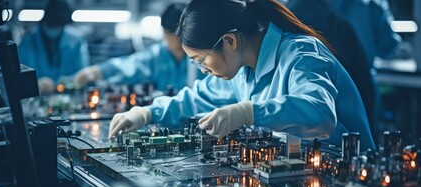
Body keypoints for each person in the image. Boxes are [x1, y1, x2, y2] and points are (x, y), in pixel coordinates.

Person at [109, 0, 375, 150]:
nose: (203, 71)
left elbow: (320, 115)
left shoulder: (302, 54)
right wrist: (146, 113)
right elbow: (196, 98)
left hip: (349, 174)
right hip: (299, 170)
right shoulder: (241, 72)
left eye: (201, 61)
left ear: (229, 42)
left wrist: (249, 111)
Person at [286, 0, 377, 137]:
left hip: (296, 136)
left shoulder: (282, 29)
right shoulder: (342, 28)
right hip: (346, 133)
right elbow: (364, 88)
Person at [74, 3, 203, 92]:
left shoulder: (203, 57)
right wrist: (99, 71)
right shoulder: (157, 56)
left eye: (181, 35)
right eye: (172, 34)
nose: (177, 41)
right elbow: (131, 65)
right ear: (164, 32)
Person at [18, 0, 89, 95]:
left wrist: (68, 81)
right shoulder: (28, 42)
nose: (56, 28)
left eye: (59, 25)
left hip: (67, 96)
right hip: (36, 98)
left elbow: (82, 73)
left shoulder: (76, 40)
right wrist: (35, 84)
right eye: (53, 25)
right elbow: (18, 75)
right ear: (46, 20)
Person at [329, 0, 401, 67]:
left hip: (326, 75)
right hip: (360, 75)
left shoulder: (321, 5)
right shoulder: (372, 5)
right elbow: (387, 47)